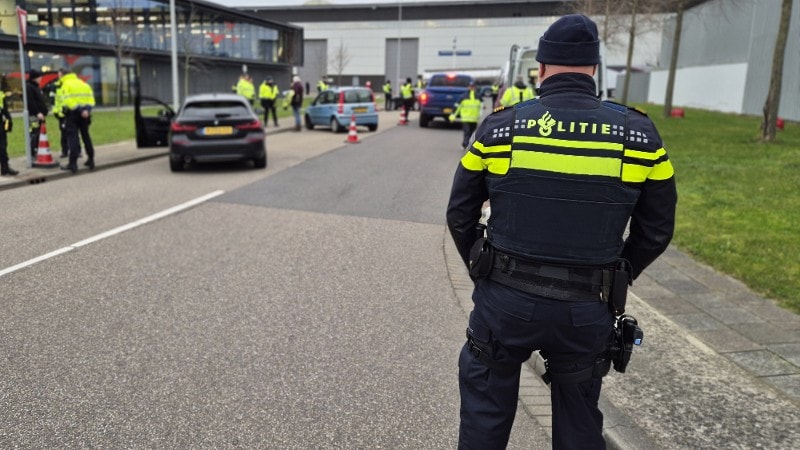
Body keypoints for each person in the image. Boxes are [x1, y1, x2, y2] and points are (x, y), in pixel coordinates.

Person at [446, 14, 677, 450]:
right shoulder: (637, 134)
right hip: (587, 309)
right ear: (593, 68)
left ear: (542, 67)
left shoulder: (501, 127)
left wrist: (483, 266)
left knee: (484, 417)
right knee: (579, 425)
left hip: (505, 304)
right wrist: (619, 273)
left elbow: (460, 213)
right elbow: (658, 226)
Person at [59, 68, 96, 173]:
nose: (59, 77)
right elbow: (91, 99)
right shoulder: (83, 84)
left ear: (63, 75)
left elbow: (68, 100)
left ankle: (73, 163)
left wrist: (79, 110)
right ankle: (91, 159)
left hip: (73, 114)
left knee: (73, 138)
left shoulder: (66, 85)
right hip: (85, 115)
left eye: (59, 75)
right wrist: (86, 110)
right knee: (86, 136)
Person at [448, 81, 482, 149]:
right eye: (471, 86)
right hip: (465, 119)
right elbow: (457, 106)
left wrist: (480, 114)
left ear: (475, 87)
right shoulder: (463, 96)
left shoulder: (478, 96)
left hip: (474, 119)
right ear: (468, 87)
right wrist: (453, 115)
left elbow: (481, 106)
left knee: (472, 133)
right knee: (467, 132)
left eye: (473, 86)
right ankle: (465, 145)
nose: (472, 88)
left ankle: (468, 144)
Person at [26, 69, 50, 158]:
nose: (40, 78)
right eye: (39, 77)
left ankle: (38, 149)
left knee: (40, 133)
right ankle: (33, 151)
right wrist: (37, 113)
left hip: (40, 115)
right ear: (34, 78)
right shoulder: (29, 87)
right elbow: (31, 102)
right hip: (35, 116)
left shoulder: (36, 87)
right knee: (34, 133)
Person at [0, 89, 16, 176]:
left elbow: (5, 110)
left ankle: (5, 168)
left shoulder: (1, 95)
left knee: (3, 147)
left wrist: (9, 121)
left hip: (1, 126)